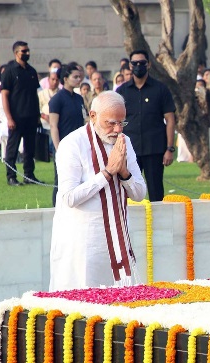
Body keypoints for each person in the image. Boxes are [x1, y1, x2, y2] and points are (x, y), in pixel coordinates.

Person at [49, 91, 147, 291]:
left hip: (117, 241)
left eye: (122, 123)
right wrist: (108, 173)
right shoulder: (72, 144)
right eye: (111, 123)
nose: (117, 129)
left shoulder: (124, 142)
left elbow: (139, 193)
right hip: (84, 243)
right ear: (93, 116)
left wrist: (124, 172)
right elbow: (69, 197)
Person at [116, 50, 176, 201]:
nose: (138, 66)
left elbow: (170, 119)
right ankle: (128, 223)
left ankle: (158, 223)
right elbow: (115, 120)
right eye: (134, 63)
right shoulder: (121, 91)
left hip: (154, 149)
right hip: (129, 150)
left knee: (156, 190)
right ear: (129, 66)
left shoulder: (160, 89)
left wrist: (169, 148)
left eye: (141, 63)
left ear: (148, 64)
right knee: (128, 190)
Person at [1, 41, 42, 186]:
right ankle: (11, 176)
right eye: (24, 51)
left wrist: (37, 115)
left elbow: (35, 94)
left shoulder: (31, 71)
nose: (27, 53)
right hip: (16, 117)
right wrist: (9, 117)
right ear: (16, 53)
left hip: (31, 115)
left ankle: (29, 175)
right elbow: (4, 95)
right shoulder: (9, 71)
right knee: (12, 148)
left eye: (28, 50)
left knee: (29, 149)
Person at [49, 64, 86, 206]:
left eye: (79, 76)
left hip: (79, 145)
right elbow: (53, 126)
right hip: (64, 145)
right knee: (60, 180)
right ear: (65, 78)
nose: (78, 79)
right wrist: (59, 149)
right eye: (75, 77)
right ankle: (56, 208)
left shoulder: (79, 98)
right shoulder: (57, 99)